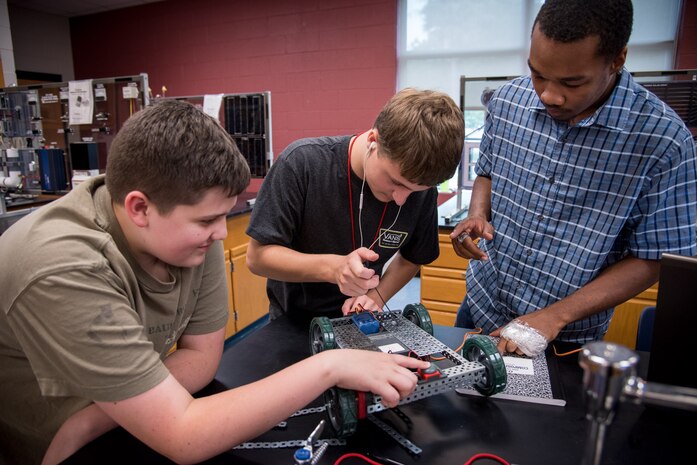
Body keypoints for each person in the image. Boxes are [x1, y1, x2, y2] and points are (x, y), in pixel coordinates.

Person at [0, 100, 429, 465]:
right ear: (139, 208)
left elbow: (202, 360)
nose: (223, 233)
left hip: (107, 424)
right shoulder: (66, 268)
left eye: (225, 215)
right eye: (208, 220)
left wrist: (94, 417)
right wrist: (330, 365)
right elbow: (182, 435)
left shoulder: (184, 238)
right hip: (49, 450)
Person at [450, 0, 697, 356]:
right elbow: (487, 170)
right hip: (481, 305)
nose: (549, 94)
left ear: (617, 59)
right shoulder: (507, 101)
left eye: (572, 81)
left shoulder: (663, 141)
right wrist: (477, 214)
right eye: (537, 73)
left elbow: (655, 256)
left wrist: (556, 316)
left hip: (562, 338)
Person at [246, 88, 465, 322]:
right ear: (373, 140)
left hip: (361, 321)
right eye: (394, 182)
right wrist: (333, 268)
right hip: (293, 322)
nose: (401, 199)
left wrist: (376, 297)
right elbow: (257, 257)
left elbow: (413, 257)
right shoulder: (302, 164)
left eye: (414, 191)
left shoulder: (422, 189)